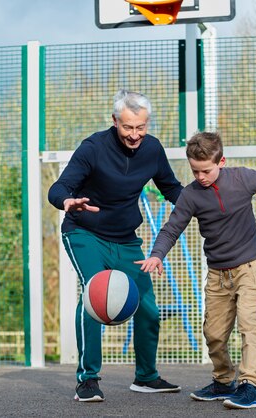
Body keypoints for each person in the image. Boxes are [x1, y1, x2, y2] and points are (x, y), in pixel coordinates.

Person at [136, 131, 256, 409]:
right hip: (218, 274)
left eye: (205, 170)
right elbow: (172, 228)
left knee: (249, 325)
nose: (200, 176)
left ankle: (249, 385)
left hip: (248, 267)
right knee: (213, 333)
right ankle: (223, 381)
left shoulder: (241, 179)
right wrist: (157, 254)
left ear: (221, 161)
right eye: (194, 170)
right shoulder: (191, 195)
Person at [48, 89, 183, 402]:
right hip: (85, 233)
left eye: (141, 127)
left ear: (147, 124)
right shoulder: (93, 148)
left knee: (148, 307)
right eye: (127, 128)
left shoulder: (152, 150)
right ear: (114, 121)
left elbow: (172, 188)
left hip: (125, 239)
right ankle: (88, 380)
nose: (134, 135)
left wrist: (202, 205)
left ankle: (146, 377)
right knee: (94, 296)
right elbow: (60, 187)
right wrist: (67, 201)